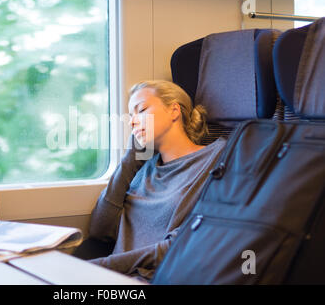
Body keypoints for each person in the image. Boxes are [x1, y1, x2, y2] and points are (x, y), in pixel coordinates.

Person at [73, 80, 227, 281]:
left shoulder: (216, 159)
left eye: (142, 110)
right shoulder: (144, 168)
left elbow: (181, 244)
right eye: (131, 116)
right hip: (114, 276)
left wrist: (96, 267)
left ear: (174, 111)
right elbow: (100, 230)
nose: (132, 121)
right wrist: (131, 158)